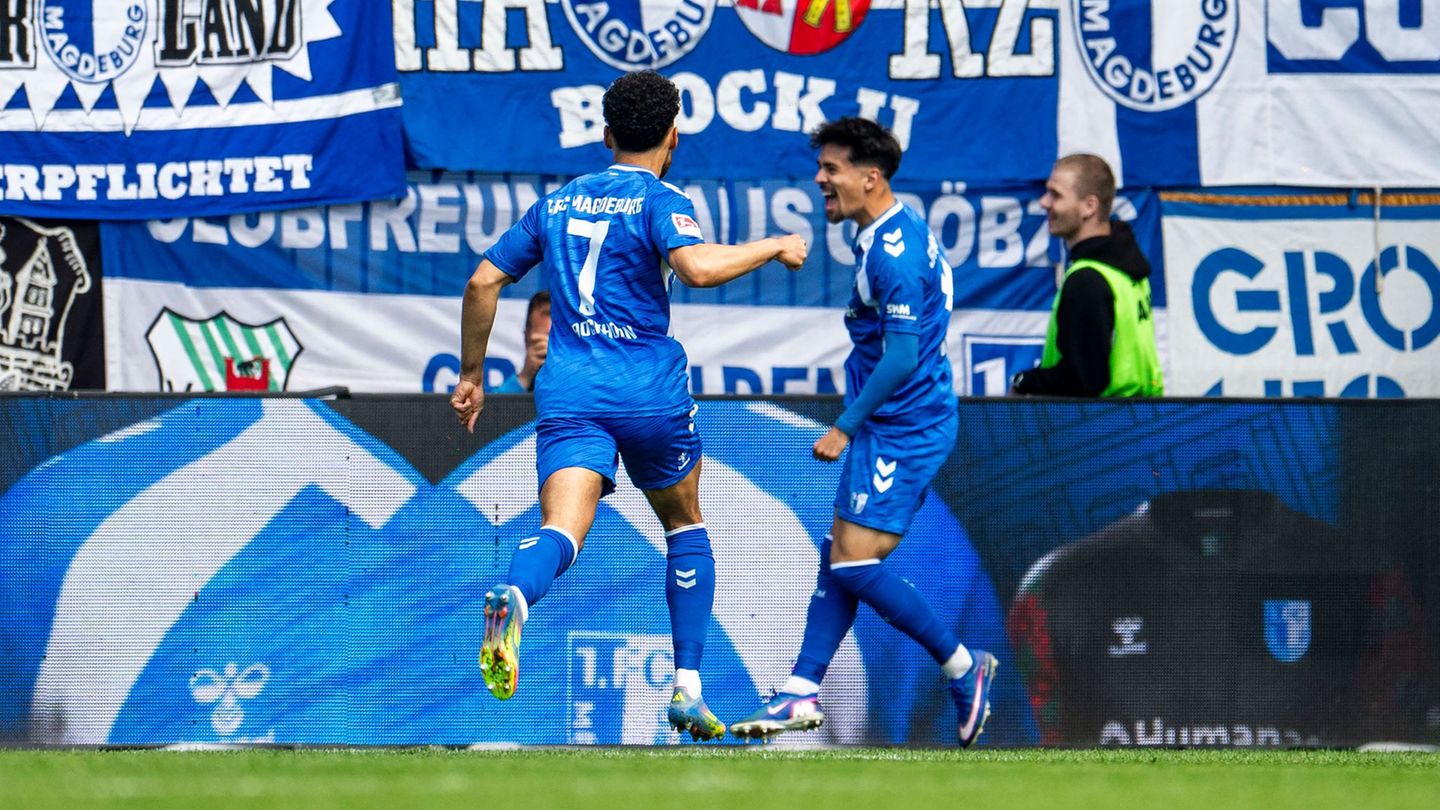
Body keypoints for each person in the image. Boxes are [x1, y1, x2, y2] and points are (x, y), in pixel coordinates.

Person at [449, 70, 808, 742]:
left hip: (571, 389)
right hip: (648, 390)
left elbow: (482, 281)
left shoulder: (557, 205)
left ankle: (517, 596)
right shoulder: (659, 197)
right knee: (683, 525)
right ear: (674, 137)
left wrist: (473, 373)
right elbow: (698, 267)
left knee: (562, 530)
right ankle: (687, 689)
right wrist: (774, 244)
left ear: (608, 134)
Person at [730, 117, 997, 748]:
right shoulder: (884, 235)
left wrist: (845, 427)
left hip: (902, 428)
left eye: (832, 169)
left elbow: (902, 355)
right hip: (891, 423)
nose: (820, 180)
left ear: (869, 176)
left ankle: (964, 667)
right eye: (821, 167)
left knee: (852, 562)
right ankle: (800, 690)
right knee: (841, 557)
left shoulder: (893, 253)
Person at [1009, 154, 1163, 397]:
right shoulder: (1125, 270)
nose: (1043, 202)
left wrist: (1024, 381)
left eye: (1055, 195)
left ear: (1089, 206)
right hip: (1135, 423)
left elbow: (1083, 380)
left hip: (1100, 428)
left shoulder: (1087, 280)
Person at [492, 291, 550, 393]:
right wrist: (526, 376)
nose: (549, 348)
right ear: (527, 339)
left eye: (556, 340)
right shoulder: (518, 385)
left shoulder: (584, 381)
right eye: (543, 339)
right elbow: (492, 407)